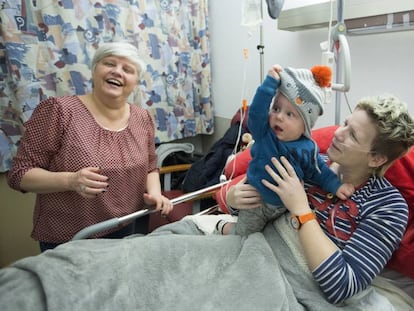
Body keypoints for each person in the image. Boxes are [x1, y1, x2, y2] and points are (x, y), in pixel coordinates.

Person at [221, 93, 414, 303]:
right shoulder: (308, 164)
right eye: (345, 124)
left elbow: (342, 286)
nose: (338, 133)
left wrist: (301, 210)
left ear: (376, 158)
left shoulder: (389, 207)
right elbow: (260, 206)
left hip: (292, 284)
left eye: (353, 135)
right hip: (257, 253)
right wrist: (234, 200)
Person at [7, 41, 173, 252]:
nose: (117, 72)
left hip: (124, 226)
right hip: (69, 235)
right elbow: (19, 175)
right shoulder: (60, 111)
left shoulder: (142, 118)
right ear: (94, 71)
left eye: (127, 69)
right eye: (109, 63)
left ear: (136, 82)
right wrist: (71, 180)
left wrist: (156, 194)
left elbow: (150, 167)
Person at [216, 64, 354, 236]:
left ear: (305, 125)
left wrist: (336, 185)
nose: (279, 116)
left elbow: (319, 172)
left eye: (290, 114)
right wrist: (269, 85)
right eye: (276, 109)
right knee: (244, 234)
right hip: (255, 202)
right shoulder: (265, 134)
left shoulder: (308, 148)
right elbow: (257, 112)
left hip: (285, 208)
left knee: (276, 237)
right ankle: (226, 227)